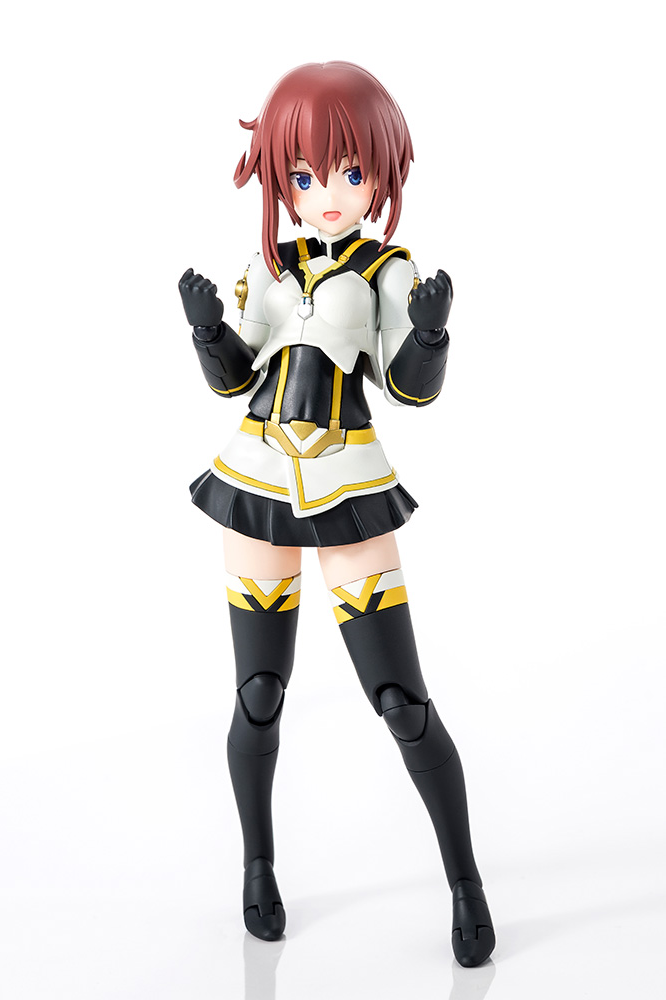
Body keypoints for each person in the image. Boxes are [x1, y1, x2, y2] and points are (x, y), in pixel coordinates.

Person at [179, 61, 495, 967]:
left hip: (350, 483)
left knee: (400, 701)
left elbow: (406, 387)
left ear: (380, 174)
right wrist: (207, 330)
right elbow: (236, 378)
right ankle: (257, 866)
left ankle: (465, 881)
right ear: (278, 176)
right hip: (254, 481)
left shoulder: (389, 270)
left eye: (350, 173)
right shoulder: (267, 265)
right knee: (259, 693)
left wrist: (429, 336)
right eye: (305, 174)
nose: (326, 193)